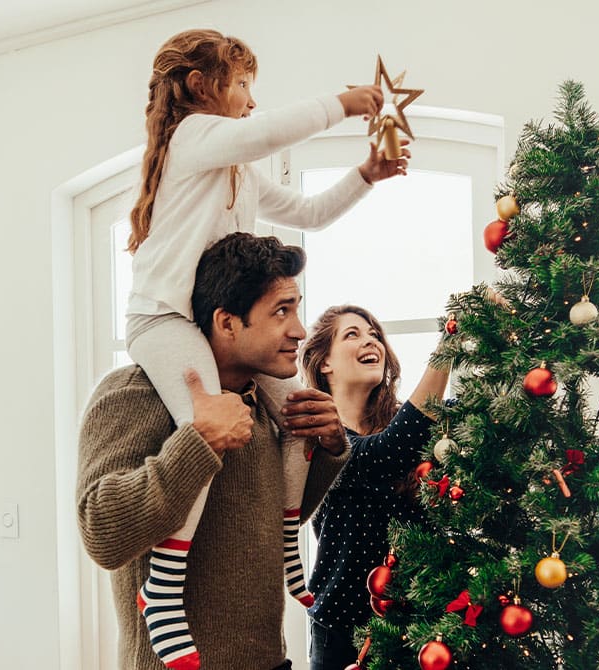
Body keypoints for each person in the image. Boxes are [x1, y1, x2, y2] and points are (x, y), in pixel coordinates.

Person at [123, 28, 409, 669]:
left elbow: (308, 212)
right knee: (209, 425)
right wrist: (344, 102)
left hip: (208, 324)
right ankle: (164, 587)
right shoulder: (191, 138)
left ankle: (288, 545)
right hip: (165, 320)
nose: (252, 100)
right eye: (244, 84)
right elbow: (263, 132)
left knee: (303, 413)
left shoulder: (238, 173)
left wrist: (366, 174)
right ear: (202, 88)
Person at [78, 233, 353, 670]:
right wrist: (199, 443)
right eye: (282, 311)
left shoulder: (262, 401)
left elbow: (264, 521)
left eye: (296, 308)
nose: (300, 330)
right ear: (227, 322)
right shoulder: (134, 392)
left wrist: (330, 447)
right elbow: (101, 534)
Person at [298, 305, 451, 670]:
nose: (371, 340)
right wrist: (452, 341)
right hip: (345, 637)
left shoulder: (412, 428)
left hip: (426, 629)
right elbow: (382, 456)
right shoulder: (319, 437)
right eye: (352, 334)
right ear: (324, 363)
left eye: (374, 334)